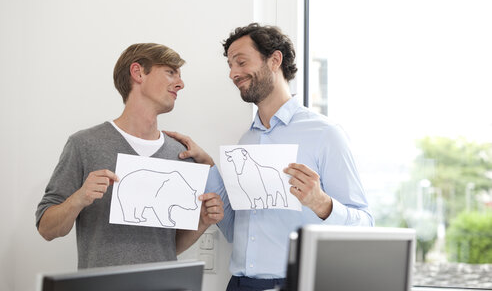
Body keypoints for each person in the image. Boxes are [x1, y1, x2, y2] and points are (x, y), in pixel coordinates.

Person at [167, 23, 374, 291]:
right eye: (230, 65)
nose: (233, 74)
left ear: (275, 60)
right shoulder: (246, 142)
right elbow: (236, 231)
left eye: (241, 62)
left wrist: (322, 204)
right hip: (240, 285)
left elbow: (365, 224)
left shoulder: (325, 134)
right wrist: (206, 164)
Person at [35, 43, 224, 269]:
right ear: (138, 73)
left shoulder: (180, 155)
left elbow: (167, 248)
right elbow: (46, 229)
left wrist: (202, 222)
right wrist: (79, 198)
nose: (180, 84)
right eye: (170, 72)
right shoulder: (84, 144)